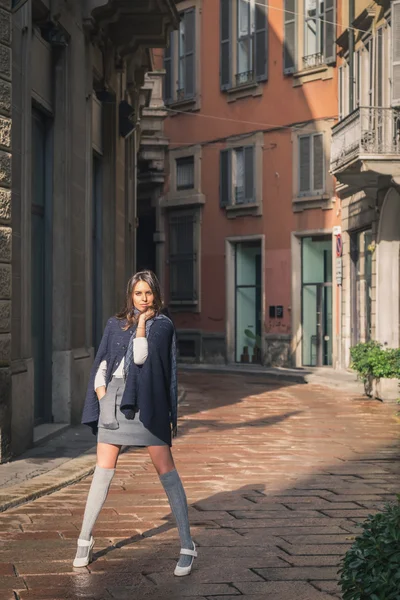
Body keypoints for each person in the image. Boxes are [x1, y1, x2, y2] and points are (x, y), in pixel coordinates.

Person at [74, 271, 197, 577]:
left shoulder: (162, 326)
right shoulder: (114, 324)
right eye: (138, 293)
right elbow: (103, 362)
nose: (143, 298)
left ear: (156, 294)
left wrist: (142, 324)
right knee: (102, 472)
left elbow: (141, 360)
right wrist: (103, 397)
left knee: (165, 468)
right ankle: (84, 539)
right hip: (112, 401)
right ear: (130, 294)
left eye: (148, 293)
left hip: (146, 402)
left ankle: (187, 544)